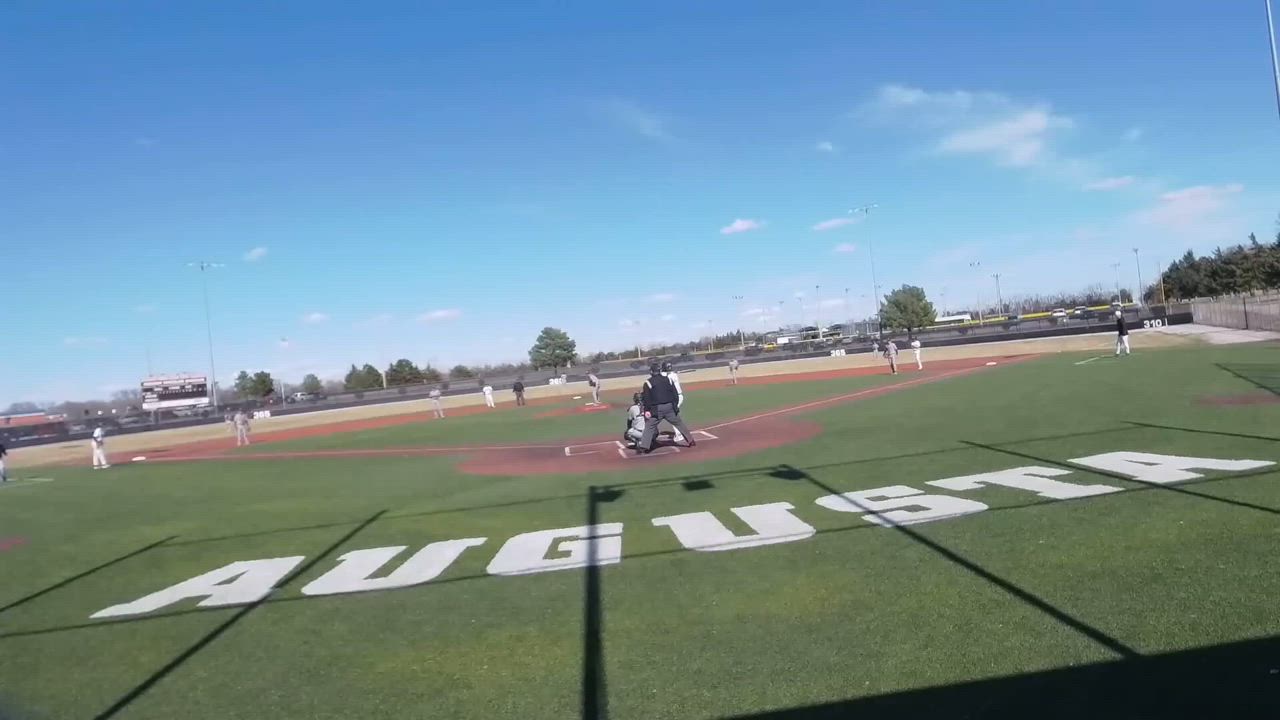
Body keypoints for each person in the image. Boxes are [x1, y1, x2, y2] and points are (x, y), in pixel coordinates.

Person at [637, 363, 696, 454]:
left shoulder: (648, 382)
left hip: (657, 409)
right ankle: (691, 441)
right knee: (679, 423)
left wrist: (647, 410)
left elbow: (647, 398)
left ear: (651, 372)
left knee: (649, 427)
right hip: (669, 407)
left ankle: (644, 447)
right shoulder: (668, 379)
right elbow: (675, 394)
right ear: (660, 371)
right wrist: (674, 406)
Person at [660, 361, 686, 443]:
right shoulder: (673, 375)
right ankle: (680, 432)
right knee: (673, 415)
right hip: (676, 397)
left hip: (676, 398)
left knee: (672, 416)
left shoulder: (670, 376)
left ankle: (679, 435)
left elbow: (661, 376)